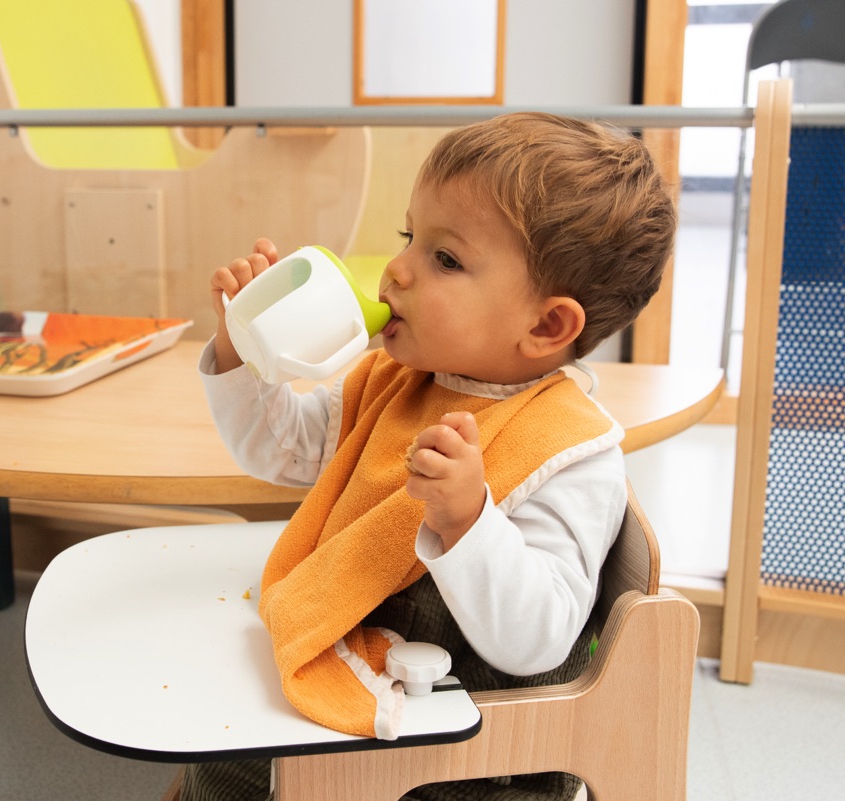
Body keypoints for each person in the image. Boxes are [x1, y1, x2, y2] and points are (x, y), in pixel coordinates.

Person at [187, 112, 676, 801]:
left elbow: (536, 639)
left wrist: (470, 519)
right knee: (219, 759)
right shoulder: (393, 380)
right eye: (408, 236)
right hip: (367, 673)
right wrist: (242, 351)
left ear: (545, 325)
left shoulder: (570, 450)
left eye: (444, 258)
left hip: (476, 751)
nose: (398, 268)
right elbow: (284, 450)